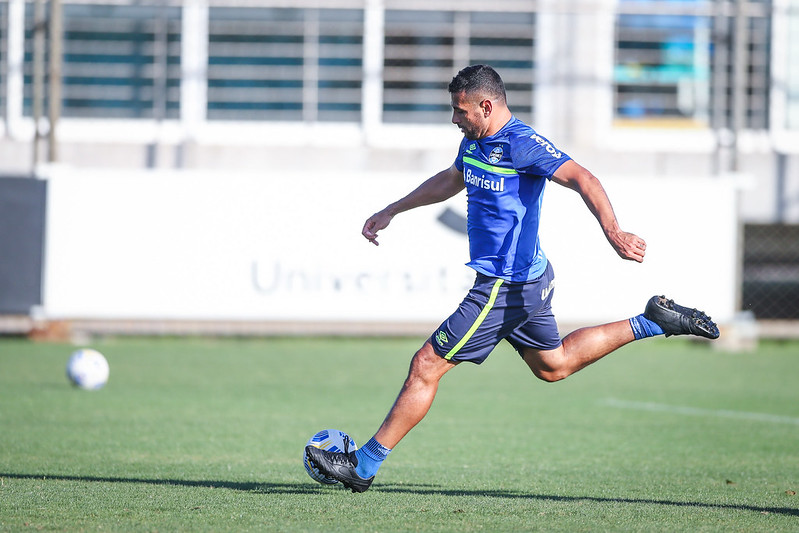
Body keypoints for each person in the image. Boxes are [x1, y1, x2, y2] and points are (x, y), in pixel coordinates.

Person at [306, 64, 719, 493]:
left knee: (426, 365)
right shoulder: (474, 142)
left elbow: (583, 177)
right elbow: (451, 180)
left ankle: (364, 465)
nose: (454, 119)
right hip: (528, 279)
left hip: (505, 286)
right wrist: (393, 208)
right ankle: (653, 321)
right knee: (553, 365)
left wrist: (613, 230)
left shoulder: (523, 144)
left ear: (486, 106)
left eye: (460, 111)